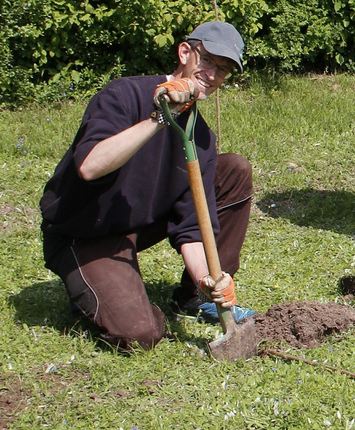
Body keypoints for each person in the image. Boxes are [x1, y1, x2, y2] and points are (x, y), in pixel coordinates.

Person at [38, 22, 255, 351]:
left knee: (234, 169)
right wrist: (160, 117)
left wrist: (207, 280)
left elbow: (193, 227)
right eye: (208, 60)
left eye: (223, 70)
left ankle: (195, 300)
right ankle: (94, 288)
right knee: (139, 335)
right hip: (83, 230)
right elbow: (90, 166)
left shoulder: (201, 139)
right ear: (185, 52)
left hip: (137, 224)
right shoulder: (124, 95)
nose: (213, 75)